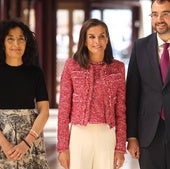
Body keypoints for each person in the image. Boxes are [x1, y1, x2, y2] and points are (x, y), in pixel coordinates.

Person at [57, 18, 126, 169]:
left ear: (107, 39)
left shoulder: (118, 68)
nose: (97, 41)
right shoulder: (71, 66)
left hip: (107, 135)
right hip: (79, 135)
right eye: (92, 36)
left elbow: (120, 110)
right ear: (84, 40)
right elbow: (63, 109)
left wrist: (120, 148)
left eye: (102, 36)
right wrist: (63, 147)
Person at [0, 20, 50, 169]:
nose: (16, 44)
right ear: (2, 43)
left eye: (21, 39)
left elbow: (44, 111)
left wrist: (26, 142)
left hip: (31, 139)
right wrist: (4, 144)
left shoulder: (35, 73)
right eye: (11, 39)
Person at [126, 0, 170, 169]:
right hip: (149, 133)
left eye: (165, 14)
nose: (159, 19)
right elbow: (132, 95)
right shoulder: (140, 47)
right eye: (155, 14)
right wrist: (132, 137)